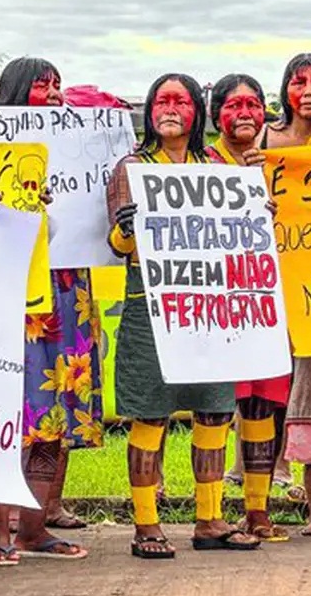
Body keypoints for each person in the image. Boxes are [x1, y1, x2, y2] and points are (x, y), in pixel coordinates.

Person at [106, 73, 262, 558]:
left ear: (197, 111)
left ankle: (209, 518)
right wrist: (126, 230)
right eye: (161, 100)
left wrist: (259, 214)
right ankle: (147, 523)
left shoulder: (216, 166)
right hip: (149, 304)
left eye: (180, 101)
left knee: (214, 410)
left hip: (208, 306)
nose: (169, 108)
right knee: (151, 412)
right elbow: (115, 245)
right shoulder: (132, 168)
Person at [0, 57, 96, 565]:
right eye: (40, 86)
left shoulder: (80, 147)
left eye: (57, 85)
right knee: (14, 411)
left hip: (70, 287)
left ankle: (35, 527)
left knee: (57, 413)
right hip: (19, 291)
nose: (51, 94)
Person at [225, 53, 311, 491]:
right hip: (268, 273)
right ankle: (259, 467)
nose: (309, 92)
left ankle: (305, 470)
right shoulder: (265, 138)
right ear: (285, 89)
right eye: (299, 82)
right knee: (263, 376)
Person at [202, 73, 291, 543]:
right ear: (217, 114)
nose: (244, 114)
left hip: (267, 301)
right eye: (234, 106)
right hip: (217, 304)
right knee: (217, 407)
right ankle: (211, 513)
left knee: (262, 406)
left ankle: (257, 511)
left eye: (253, 105)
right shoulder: (202, 164)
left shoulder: (279, 164)